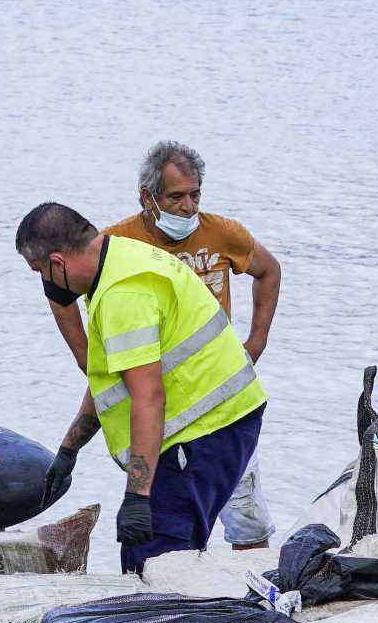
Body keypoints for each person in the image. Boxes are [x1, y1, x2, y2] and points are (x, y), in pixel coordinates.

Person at [16, 203, 268, 574]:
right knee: (154, 553)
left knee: (156, 562)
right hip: (217, 422)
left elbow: (148, 397)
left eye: (40, 272)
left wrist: (137, 496)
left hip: (203, 431)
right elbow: (112, 378)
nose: (46, 284)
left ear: (58, 262)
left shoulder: (123, 294)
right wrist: (70, 448)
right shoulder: (118, 258)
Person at [96, 141, 283, 550]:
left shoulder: (221, 233)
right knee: (167, 510)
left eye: (195, 194)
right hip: (153, 395)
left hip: (218, 394)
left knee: (245, 509)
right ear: (148, 198)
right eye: (176, 197)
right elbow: (73, 295)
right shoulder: (118, 242)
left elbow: (268, 270)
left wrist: (255, 343)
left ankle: (249, 586)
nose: (188, 207)